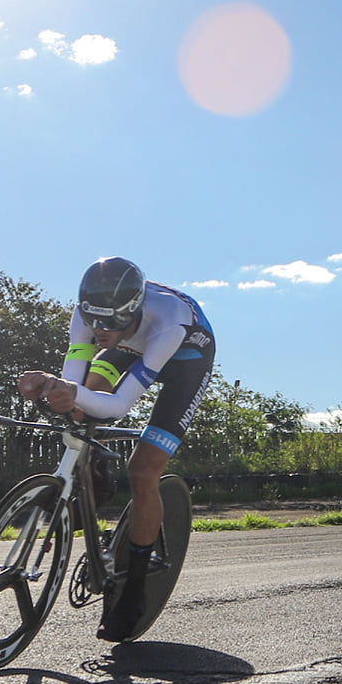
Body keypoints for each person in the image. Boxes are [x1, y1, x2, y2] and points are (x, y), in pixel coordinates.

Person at [16, 257, 215, 642]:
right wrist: (56, 386)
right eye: (93, 321)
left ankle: (135, 586)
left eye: (109, 323)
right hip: (129, 345)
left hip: (185, 360)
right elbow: (73, 385)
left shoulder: (167, 325)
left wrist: (72, 392)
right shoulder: (91, 319)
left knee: (142, 472)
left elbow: (121, 405)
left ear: (133, 311)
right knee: (80, 402)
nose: (99, 330)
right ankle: (94, 473)